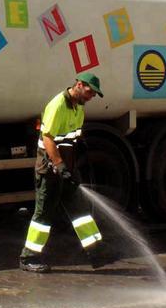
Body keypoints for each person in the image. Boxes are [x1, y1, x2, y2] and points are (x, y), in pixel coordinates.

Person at [19, 72, 109, 273]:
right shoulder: (58, 105)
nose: (91, 96)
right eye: (90, 91)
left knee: (79, 209)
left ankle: (95, 251)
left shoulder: (79, 108)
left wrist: (73, 165)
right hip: (50, 170)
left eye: (94, 94)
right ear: (79, 84)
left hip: (66, 169)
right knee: (43, 214)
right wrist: (59, 165)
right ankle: (28, 257)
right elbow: (48, 138)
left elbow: (71, 138)